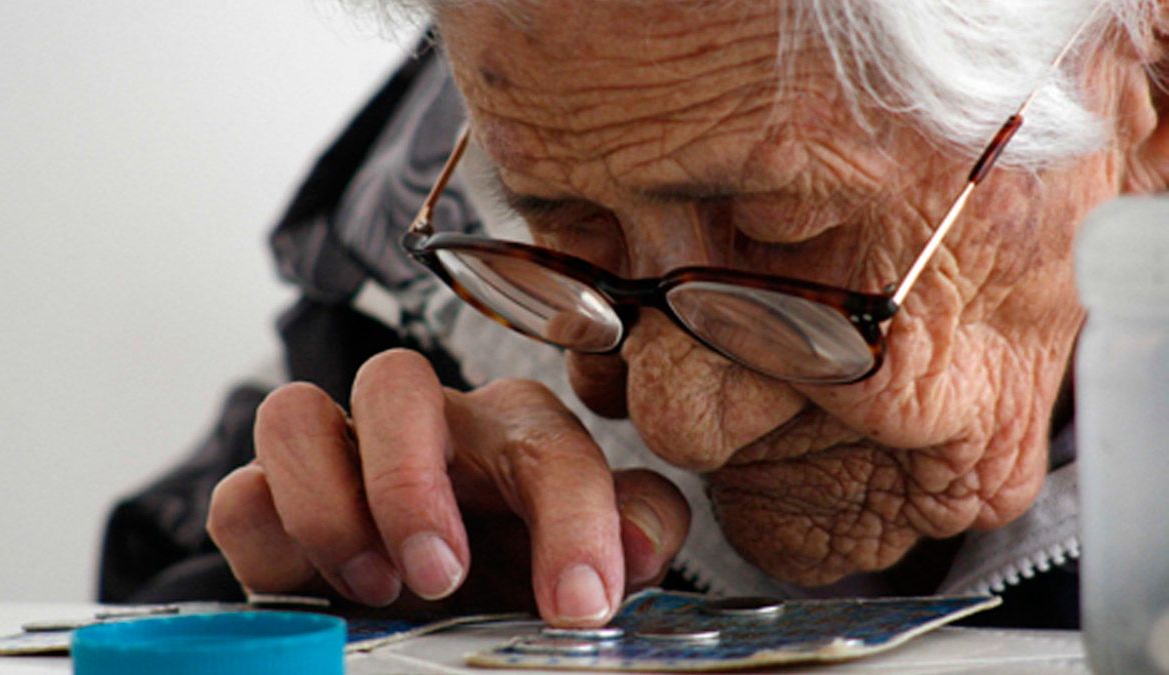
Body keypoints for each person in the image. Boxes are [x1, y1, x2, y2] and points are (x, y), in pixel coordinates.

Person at [100, 0, 1169, 630]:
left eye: (786, 237)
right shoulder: (436, 228)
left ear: (1150, 97)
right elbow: (153, 591)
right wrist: (387, 606)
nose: (673, 420)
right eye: (566, 225)